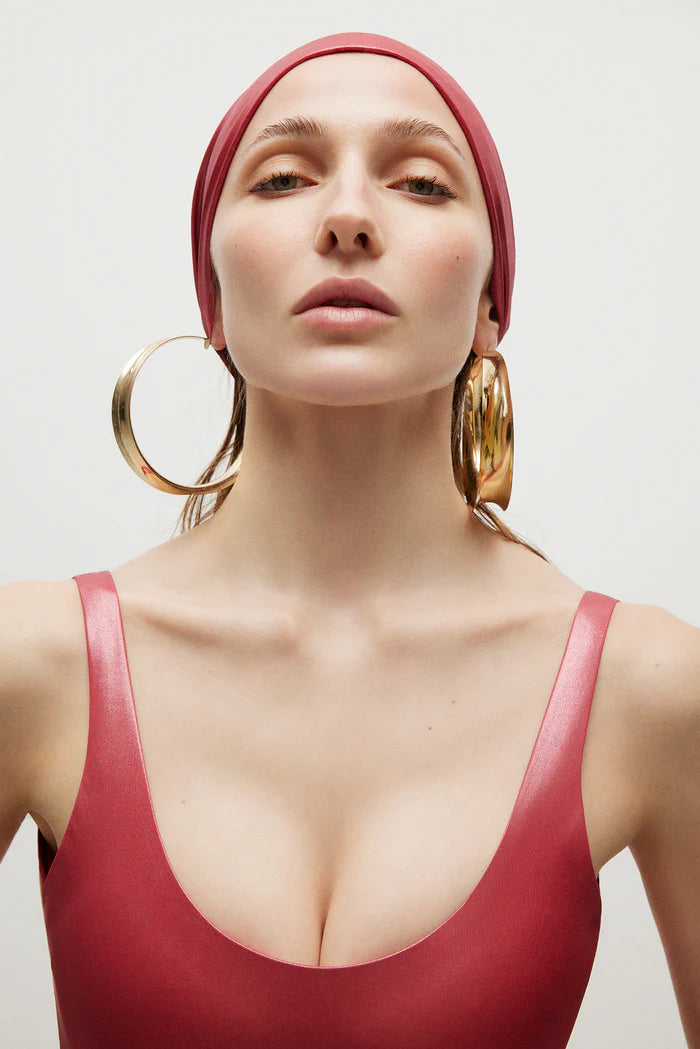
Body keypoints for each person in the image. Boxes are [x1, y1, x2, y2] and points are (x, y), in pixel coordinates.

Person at [1, 30, 698, 1049]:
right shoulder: (30, 663)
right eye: (284, 177)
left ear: (491, 305)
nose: (348, 218)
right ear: (213, 296)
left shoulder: (652, 688)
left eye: (421, 184)